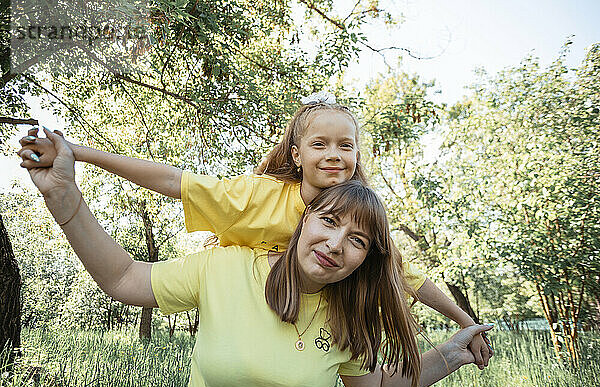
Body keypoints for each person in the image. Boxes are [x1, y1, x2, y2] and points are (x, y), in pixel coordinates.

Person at [18, 93, 492, 368]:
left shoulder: (357, 220)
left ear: (356, 157)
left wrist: (462, 321)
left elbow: (405, 276)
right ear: (297, 153)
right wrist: (80, 153)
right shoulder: (256, 198)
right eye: (319, 143)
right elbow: (172, 180)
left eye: (345, 145)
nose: (333, 154)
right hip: (248, 301)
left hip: (313, 328)